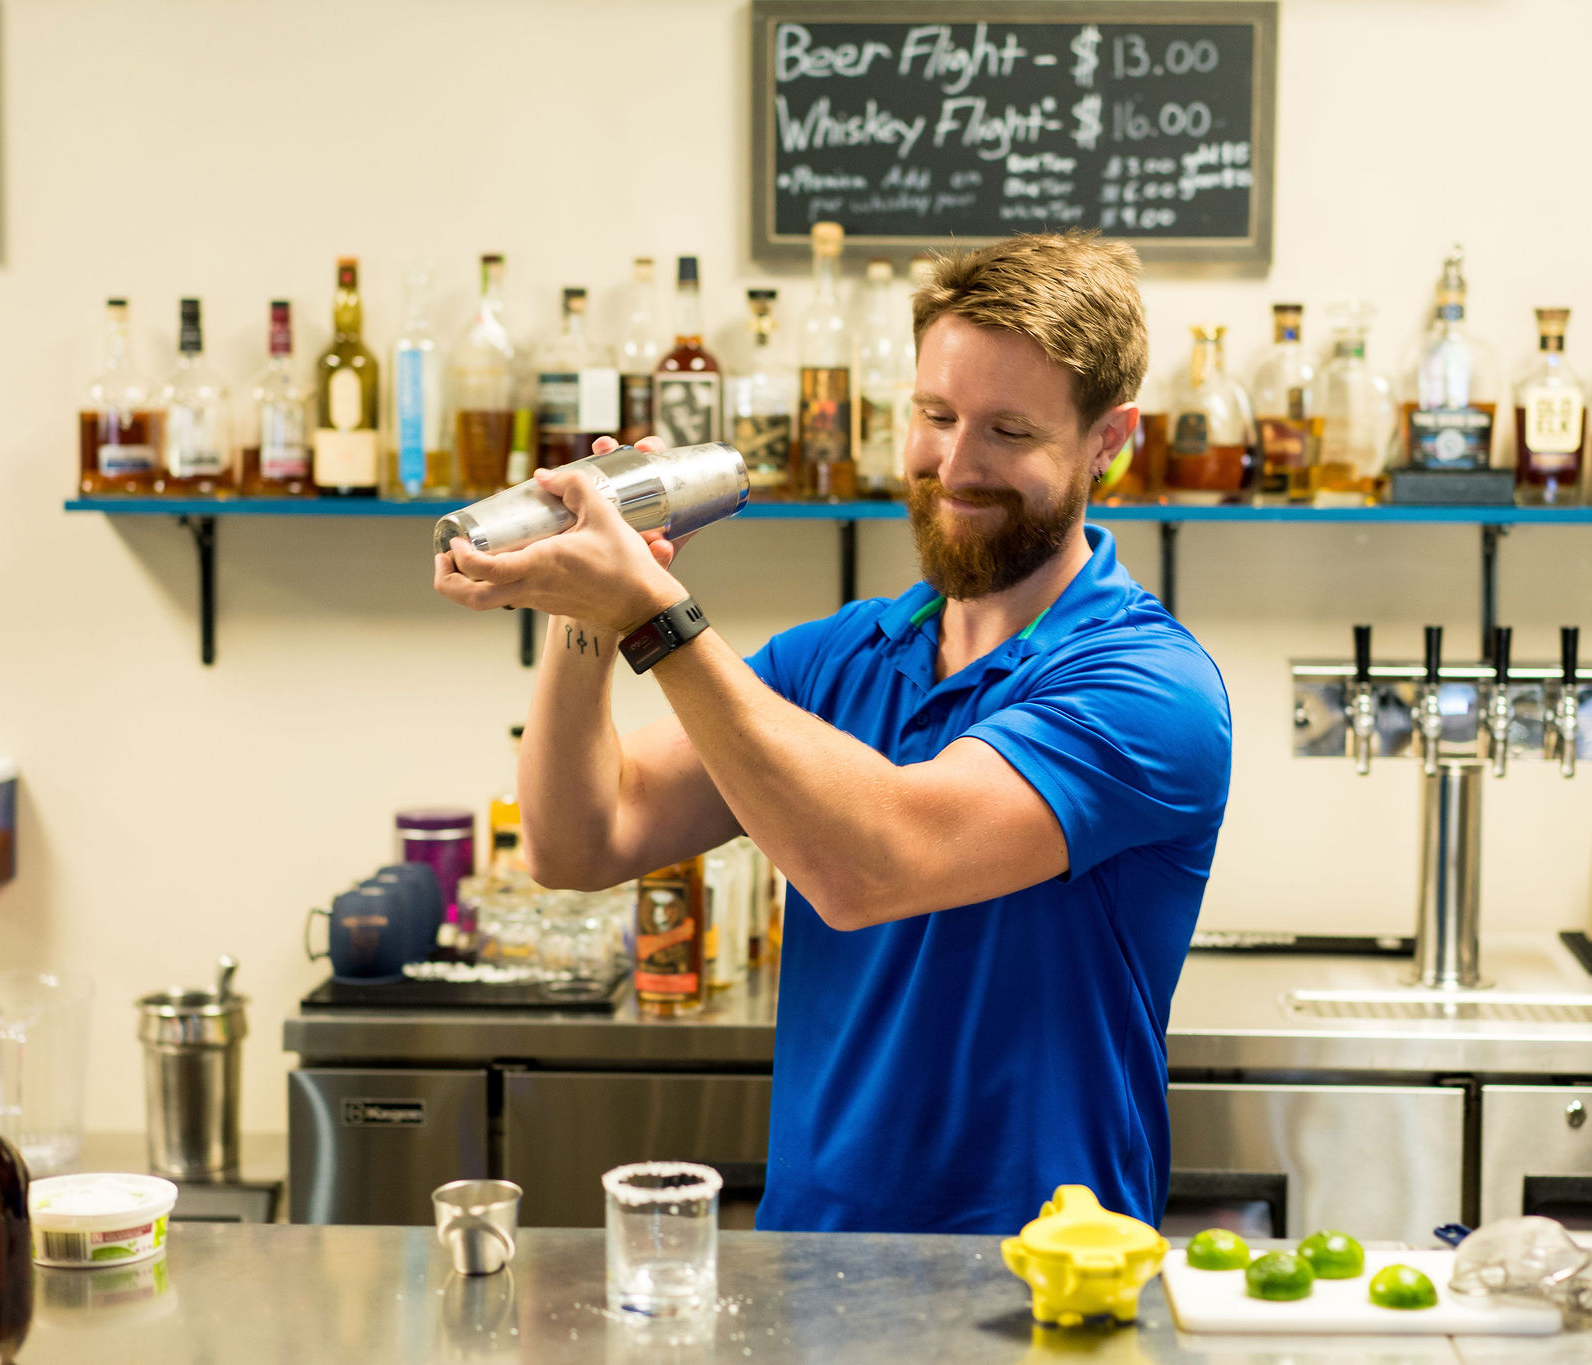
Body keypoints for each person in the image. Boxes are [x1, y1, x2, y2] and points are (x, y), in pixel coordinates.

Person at [434, 232, 1231, 1234]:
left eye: (1009, 431)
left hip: (1043, 1274)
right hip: (808, 1273)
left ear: (1108, 440)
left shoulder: (1148, 687)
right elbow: (581, 841)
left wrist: (650, 611)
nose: (955, 464)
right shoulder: (834, 660)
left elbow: (877, 864)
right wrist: (582, 606)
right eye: (935, 415)